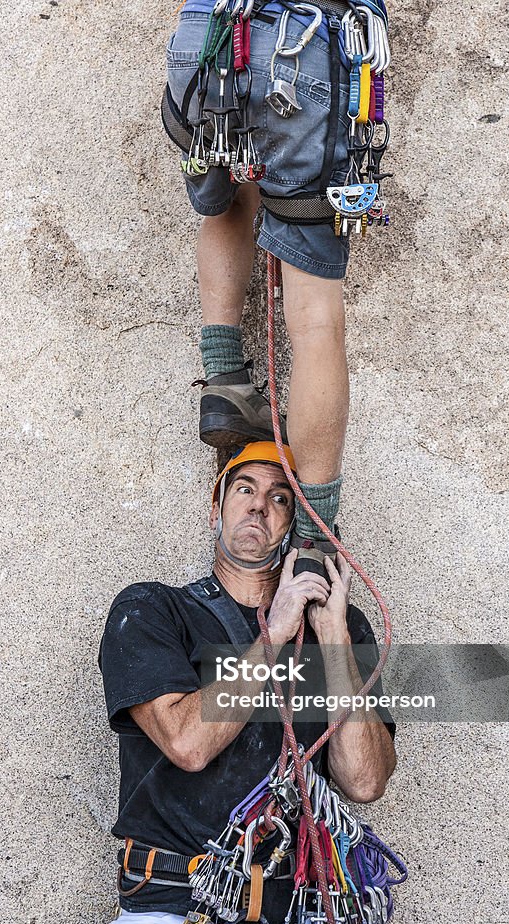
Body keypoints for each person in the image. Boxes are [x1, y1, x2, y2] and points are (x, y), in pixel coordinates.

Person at [99, 442, 397, 924]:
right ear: (217, 504)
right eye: (245, 490)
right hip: (173, 918)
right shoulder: (153, 612)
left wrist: (331, 633)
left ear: (291, 524)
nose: (259, 508)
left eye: (279, 498)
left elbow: (363, 780)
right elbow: (188, 744)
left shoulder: (337, 632)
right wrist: (276, 631)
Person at [163, 0, 371, 576]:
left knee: (233, 177)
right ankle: (315, 538)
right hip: (301, 55)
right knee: (315, 319)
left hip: (206, 40)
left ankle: (224, 376)